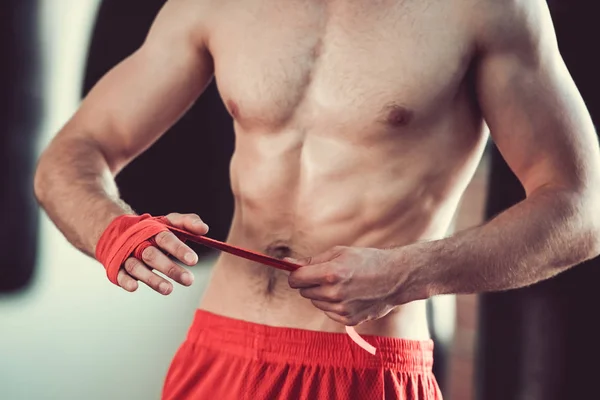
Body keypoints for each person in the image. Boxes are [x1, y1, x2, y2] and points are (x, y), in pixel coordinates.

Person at [34, 0, 600, 398]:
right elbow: (72, 153)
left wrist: (411, 272)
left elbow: (582, 209)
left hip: (363, 371)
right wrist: (113, 231)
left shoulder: (488, 9)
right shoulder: (218, 5)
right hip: (217, 352)